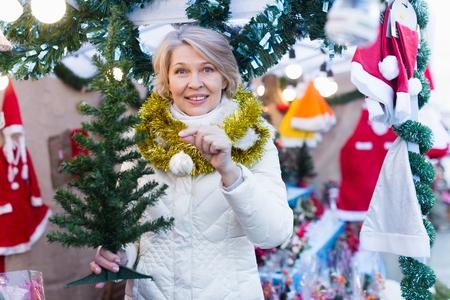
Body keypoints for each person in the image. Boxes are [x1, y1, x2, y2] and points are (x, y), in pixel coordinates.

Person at [90, 25, 293, 300]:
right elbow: (128, 224)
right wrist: (118, 253)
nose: (194, 83)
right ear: (167, 80)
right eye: (181, 71)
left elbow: (274, 234)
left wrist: (230, 171)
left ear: (224, 78)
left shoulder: (252, 138)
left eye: (207, 69)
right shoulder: (142, 139)